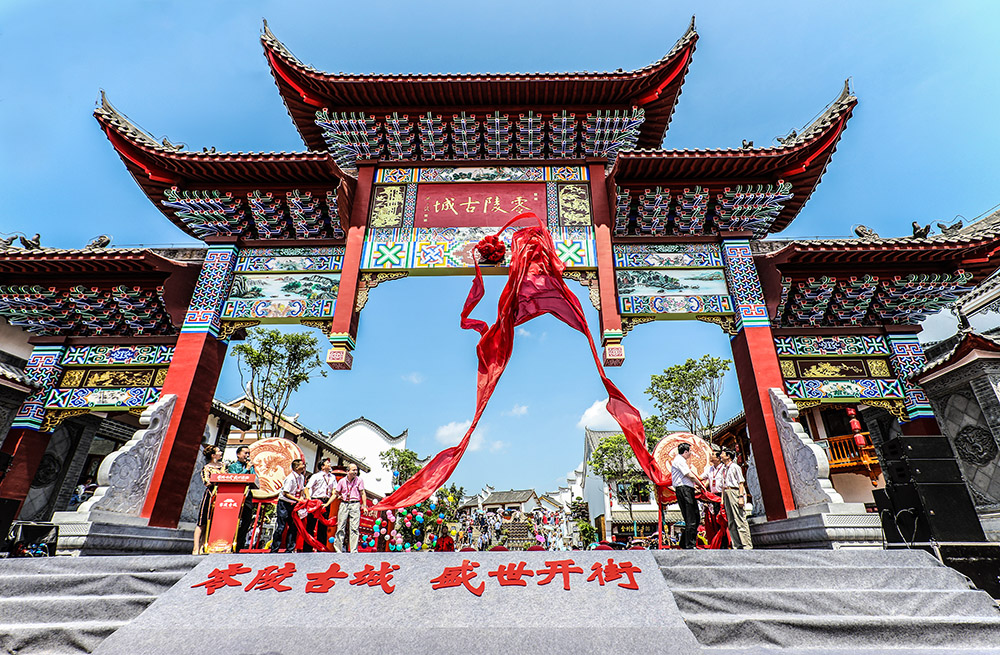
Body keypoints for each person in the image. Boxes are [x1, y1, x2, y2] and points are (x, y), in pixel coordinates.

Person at [671, 442, 709, 549]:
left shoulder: (680, 461)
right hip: (684, 490)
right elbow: (689, 475)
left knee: (695, 517)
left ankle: (684, 542)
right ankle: (690, 544)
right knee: (691, 517)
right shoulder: (679, 461)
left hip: (686, 489)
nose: (691, 454)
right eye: (690, 451)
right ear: (686, 452)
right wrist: (700, 484)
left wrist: (694, 486)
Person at [193, 444, 225, 555]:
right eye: (218, 451)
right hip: (211, 494)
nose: (221, 453)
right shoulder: (207, 468)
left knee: (211, 522)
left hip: (221, 495)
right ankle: (196, 547)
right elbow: (207, 482)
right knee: (202, 521)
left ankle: (204, 545)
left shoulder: (223, 466)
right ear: (213, 455)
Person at [270, 458, 307, 553]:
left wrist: (301, 498)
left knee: (293, 526)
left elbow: (301, 489)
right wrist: (298, 499)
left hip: (294, 504)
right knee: (281, 526)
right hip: (284, 503)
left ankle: (290, 549)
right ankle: (274, 548)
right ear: (296, 467)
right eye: (302, 464)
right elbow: (286, 493)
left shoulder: (301, 477)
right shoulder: (290, 478)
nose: (304, 466)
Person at [720, 449, 753, 549]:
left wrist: (741, 496)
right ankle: (736, 545)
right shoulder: (724, 469)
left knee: (739, 519)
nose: (721, 455)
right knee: (731, 520)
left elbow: (741, 482)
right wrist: (722, 499)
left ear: (728, 456)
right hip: (726, 492)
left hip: (734, 491)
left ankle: (746, 545)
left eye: (722, 454)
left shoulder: (735, 467)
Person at [332, 463, 367, 552]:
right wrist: (328, 503)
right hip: (344, 503)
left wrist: (364, 505)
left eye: (356, 470)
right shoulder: (342, 481)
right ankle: (338, 549)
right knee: (340, 527)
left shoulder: (359, 480)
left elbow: (362, 493)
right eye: (353, 470)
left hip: (355, 504)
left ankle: (353, 550)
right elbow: (335, 493)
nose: (355, 472)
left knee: (354, 528)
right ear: (347, 471)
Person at [227, 446, 256, 551]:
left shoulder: (250, 466)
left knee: (247, 519)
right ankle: (229, 542)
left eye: (249, 453)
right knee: (234, 520)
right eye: (245, 453)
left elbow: (253, 478)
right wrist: (246, 470)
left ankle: (239, 543)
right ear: (238, 454)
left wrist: (250, 469)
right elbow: (235, 478)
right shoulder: (233, 466)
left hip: (247, 494)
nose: (247, 456)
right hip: (235, 495)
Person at [304, 458, 336, 552]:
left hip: (326, 502)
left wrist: (328, 503)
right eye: (327, 463)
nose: (330, 464)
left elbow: (334, 491)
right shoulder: (316, 476)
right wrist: (310, 500)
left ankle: (321, 549)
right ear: (322, 466)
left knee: (323, 526)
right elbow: (307, 488)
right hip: (315, 501)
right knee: (311, 525)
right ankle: (307, 549)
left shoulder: (333, 477)